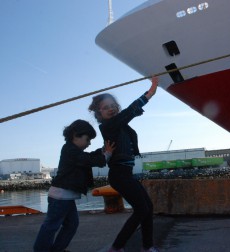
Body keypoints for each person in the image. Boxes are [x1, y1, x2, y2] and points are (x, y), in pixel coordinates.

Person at [88, 77, 159, 252]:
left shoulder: (119, 125)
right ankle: (116, 247)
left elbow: (126, 116)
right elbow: (130, 112)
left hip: (126, 174)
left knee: (148, 208)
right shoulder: (107, 127)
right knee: (141, 209)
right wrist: (150, 92)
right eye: (105, 108)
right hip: (119, 175)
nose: (110, 109)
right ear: (99, 114)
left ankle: (148, 247)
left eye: (113, 105)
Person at [33, 119, 115, 252]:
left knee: (71, 225)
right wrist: (107, 154)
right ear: (76, 135)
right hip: (60, 197)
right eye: (88, 139)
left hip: (65, 197)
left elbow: (87, 156)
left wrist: (102, 150)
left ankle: (57, 249)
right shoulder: (69, 150)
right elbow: (87, 160)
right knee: (52, 226)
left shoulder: (72, 150)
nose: (89, 143)